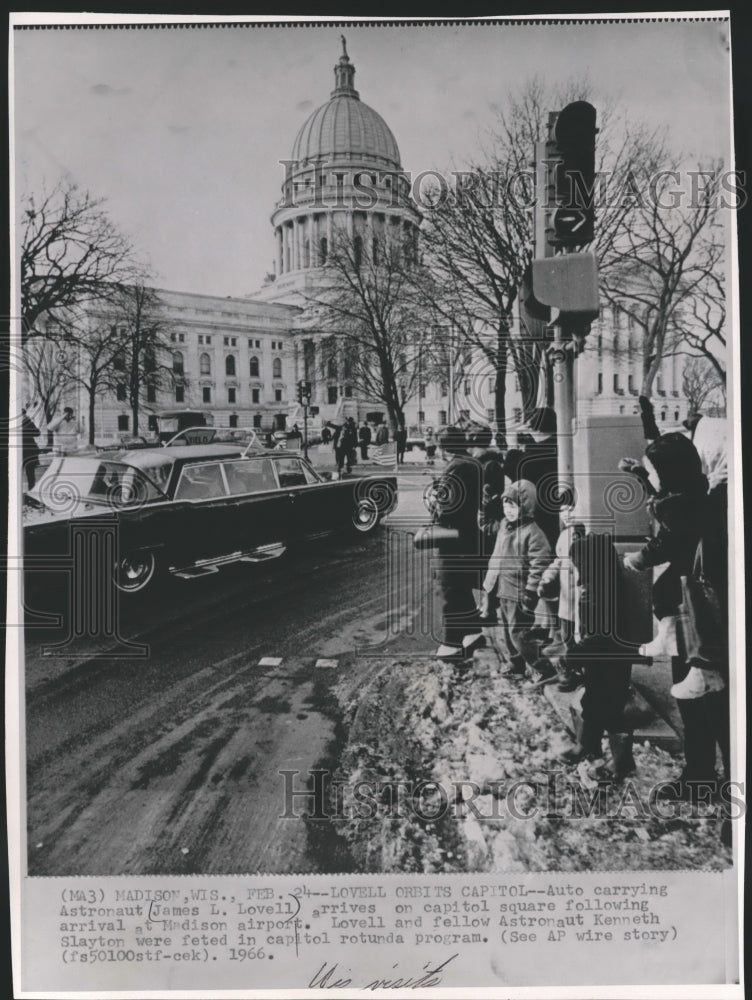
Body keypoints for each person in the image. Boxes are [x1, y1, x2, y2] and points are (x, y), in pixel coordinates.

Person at [622, 431, 726, 802]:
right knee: (694, 697)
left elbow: (674, 535)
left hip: (700, 614)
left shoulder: (711, 503)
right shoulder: (701, 493)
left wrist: (641, 558)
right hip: (691, 608)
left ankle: (714, 784)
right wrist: (642, 476)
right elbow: (667, 498)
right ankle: (699, 776)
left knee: (708, 701)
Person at [559, 532, 637, 784]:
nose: (576, 570)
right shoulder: (602, 585)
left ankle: (621, 762)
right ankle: (588, 745)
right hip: (604, 661)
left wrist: (571, 656)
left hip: (610, 662)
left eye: (579, 564)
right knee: (593, 702)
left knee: (611, 709)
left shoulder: (600, 595)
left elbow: (598, 638)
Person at [480, 480, 552, 678]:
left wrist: (530, 591)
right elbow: (486, 526)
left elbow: (540, 563)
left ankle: (543, 667)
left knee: (518, 634)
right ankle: (516, 664)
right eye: (505, 504)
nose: (508, 510)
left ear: (526, 506)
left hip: (520, 593)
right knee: (507, 631)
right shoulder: (505, 525)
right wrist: (486, 505)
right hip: (503, 588)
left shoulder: (533, 533)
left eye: (513, 505)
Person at [430, 426, 484, 660]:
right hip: (469, 534)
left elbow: (446, 509)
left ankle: (452, 643)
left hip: (453, 537)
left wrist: (434, 502)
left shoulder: (456, 468)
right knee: (460, 585)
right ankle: (472, 630)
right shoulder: (472, 463)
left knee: (449, 587)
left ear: (443, 448)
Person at [537, 488, 586, 691]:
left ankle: (585, 673)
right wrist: (548, 576)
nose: (567, 514)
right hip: (566, 602)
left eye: (571, 509)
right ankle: (570, 672)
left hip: (582, 601)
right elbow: (559, 560)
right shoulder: (564, 536)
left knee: (582, 637)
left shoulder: (587, 535)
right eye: (563, 510)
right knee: (567, 637)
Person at [21, 406, 41, 491]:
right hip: (24, 451)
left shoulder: (27, 422)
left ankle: (30, 492)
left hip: (28, 451)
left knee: (30, 474)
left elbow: (37, 433)